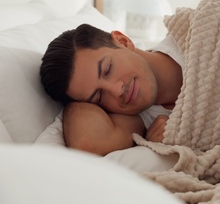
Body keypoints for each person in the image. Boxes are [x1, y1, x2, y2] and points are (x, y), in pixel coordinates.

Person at [40, 23, 184, 156]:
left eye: (107, 69)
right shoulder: (142, 120)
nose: (117, 91)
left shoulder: (196, 35)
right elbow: (88, 144)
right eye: (99, 96)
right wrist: (73, 101)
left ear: (123, 41)